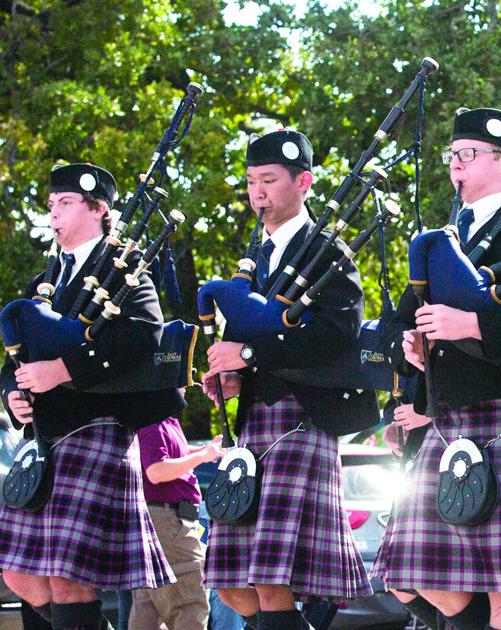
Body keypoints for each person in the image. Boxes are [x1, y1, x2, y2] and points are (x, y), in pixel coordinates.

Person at [373, 107, 501, 630]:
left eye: (467, 155)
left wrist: (470, 325)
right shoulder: (440, 239)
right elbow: (405, 321)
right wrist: (415, 350)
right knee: (408, 570)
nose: (455, 166)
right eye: (452, 156)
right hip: (448, 422)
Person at [201, 129, 373, 630]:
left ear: (304, 182)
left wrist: (250, 353)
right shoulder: (254, 257)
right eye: (252, 181)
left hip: (303, 420)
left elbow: (338, 334)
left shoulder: (327, 251)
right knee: (233, 583)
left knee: (271, 582)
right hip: (256, 426)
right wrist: (233, 377)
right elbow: (247, 345)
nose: (258, 193)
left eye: (269, 180)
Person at [0, 162, 182, 629]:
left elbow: (144, 335)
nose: (54, 215)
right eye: (50, 206)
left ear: (99, 209)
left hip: (94, 430)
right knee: (19, 574)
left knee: (66, 579)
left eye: (65, 204)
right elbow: (15, 362)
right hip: (42, 438)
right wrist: (13, 397)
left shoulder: (125, 270)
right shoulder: (47, 279)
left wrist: (62, 369)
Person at [129, 416, 224, 629]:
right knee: (189, 605)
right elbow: (156, 471)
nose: (185, 387)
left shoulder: (164, 419)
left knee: (148, 610)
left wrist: (203, 452)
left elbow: (167, 454)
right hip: (168, 520)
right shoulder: (152, 420)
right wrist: (201, 457)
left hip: (165, 519)